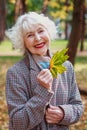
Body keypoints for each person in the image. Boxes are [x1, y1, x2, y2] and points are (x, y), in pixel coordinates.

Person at [5, 12, 84, 130]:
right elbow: (17, 123)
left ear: (49, 32)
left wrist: (63, 113)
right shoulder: (15, 73)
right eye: (30, 35)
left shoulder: (66, 67)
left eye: (41, 31)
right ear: (23, 42)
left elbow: (78, 107)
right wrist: (43, 91)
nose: (37, 38)